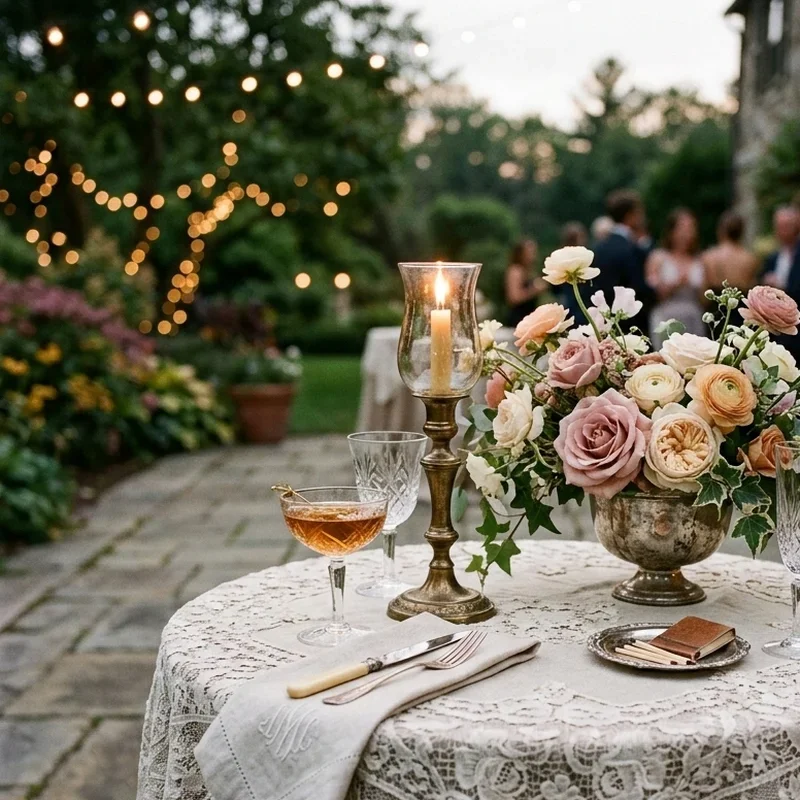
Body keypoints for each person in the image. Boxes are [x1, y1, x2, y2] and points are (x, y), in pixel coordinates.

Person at [582, 190, 652, 334]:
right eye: (639, 213)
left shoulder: (598, 248)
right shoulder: (632, 249)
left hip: (602, 322)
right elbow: (638, 287)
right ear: (630, 215)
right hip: (631, 324)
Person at [646, 208, 706, 348]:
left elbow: (705, 298)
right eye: (682, 228)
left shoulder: (699, 259)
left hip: (693, 315)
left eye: (691, 228)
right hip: (667, 315)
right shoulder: (658, 257)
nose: (687, 233)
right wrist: (677, 284)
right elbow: (654, 293)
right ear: (671, 231)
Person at [703, 211, 760, 291]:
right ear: (741, 232)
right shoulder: (750, 259)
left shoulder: (708, 257)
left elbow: (703, 292)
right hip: (741, 302)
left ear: (721, 230)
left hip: (714, 302)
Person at [505, 238, 547, 328]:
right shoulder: (515, 271)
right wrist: (534, 290)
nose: (533, 255)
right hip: (518, 318)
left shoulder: (530, 271)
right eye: (529, 252)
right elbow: (514, 297)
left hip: (530, 316)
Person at [761, 205, 800, 295]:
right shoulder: (772, 257)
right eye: (779, 226)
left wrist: (782, 286)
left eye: (786, 226)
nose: (781, 231)